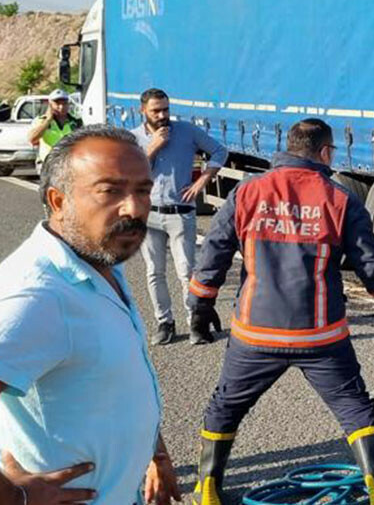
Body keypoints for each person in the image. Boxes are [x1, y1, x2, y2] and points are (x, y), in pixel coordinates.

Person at [185, 119, 374, 505]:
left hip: (255, 334)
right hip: (321, 335)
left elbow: (214, 253)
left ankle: (207, 488)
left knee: (226, 406)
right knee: (356, 408)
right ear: (324, 153)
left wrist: (201, 306)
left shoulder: (246, 192)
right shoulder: (340, 199)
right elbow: (370, 262)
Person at [0, 126, 180, 505]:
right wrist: (15, 496)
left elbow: (118, 382)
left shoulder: (101, 263)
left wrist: (154, 455)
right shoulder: (37, 294)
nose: (134, 208)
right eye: (110, 191)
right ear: (58, 200)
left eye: (143, 190)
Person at [129, 88, 229, 346]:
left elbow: (220, 151)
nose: (162, 115)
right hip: (148, 215)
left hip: (181, 213)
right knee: (154, 272)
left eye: (166, 109)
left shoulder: (187, 131)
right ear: (143, 111)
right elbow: (129, 172)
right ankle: (165, 323)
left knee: (186, 272)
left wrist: (204, 180)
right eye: (156, 110)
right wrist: (153, 147)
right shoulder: (133, 138)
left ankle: (194, 322)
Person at [26, 89, 82, 169]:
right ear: (50, 105)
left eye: (64, 103)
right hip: (48, 164)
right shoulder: (41, 120)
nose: (61, 107)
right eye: (57, 103)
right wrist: (48, 120)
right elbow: (32, 139)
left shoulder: (75, 122)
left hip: (69, 164)